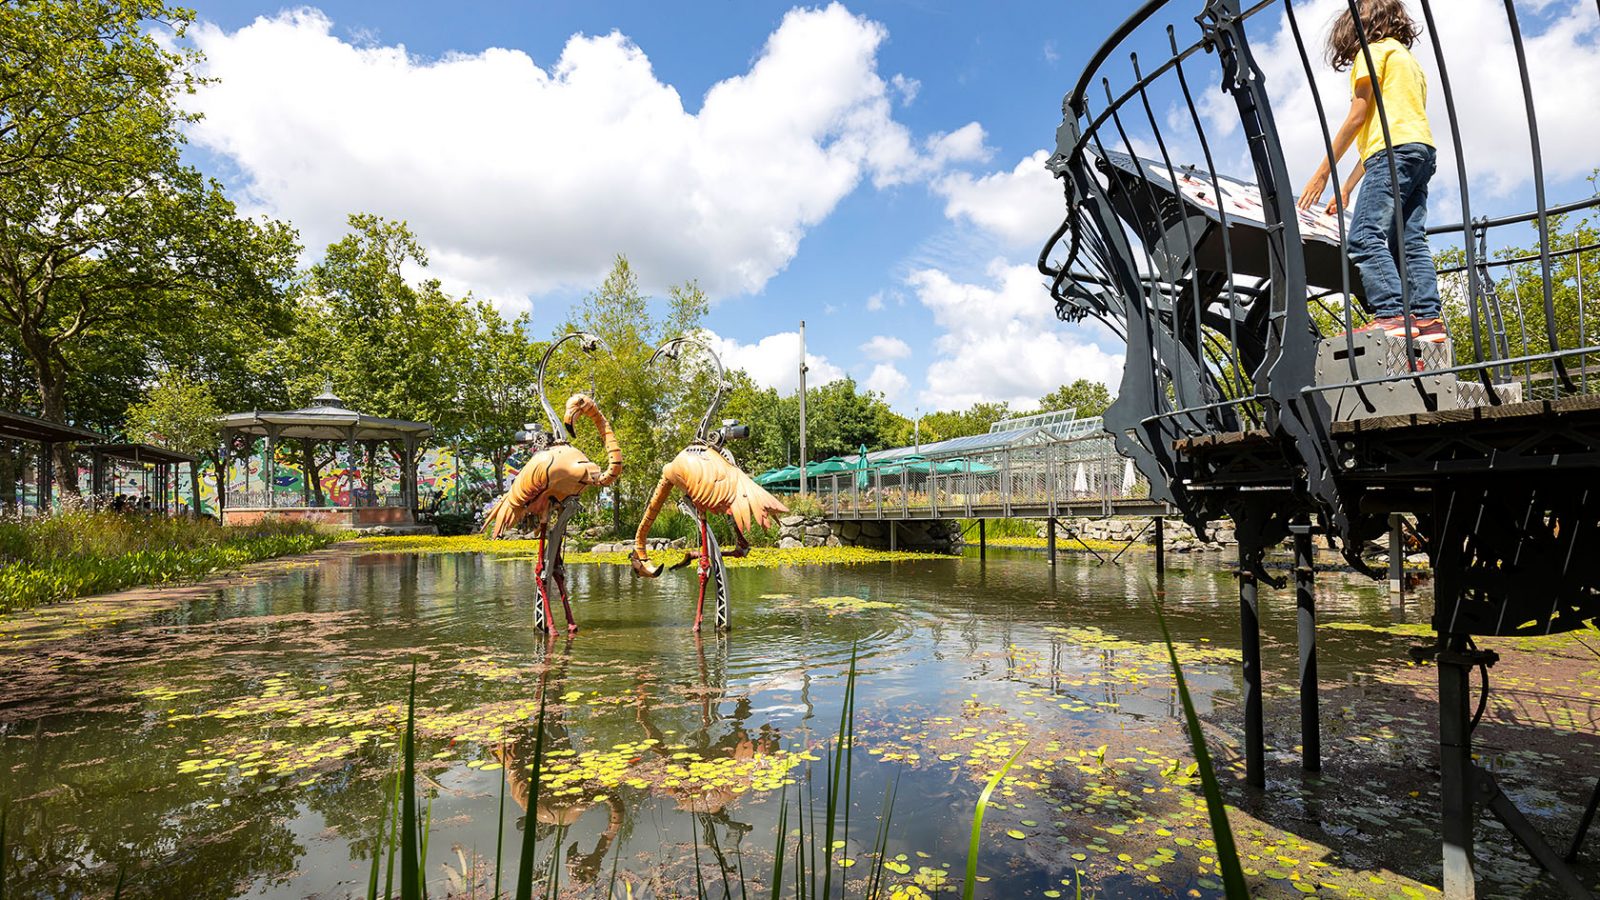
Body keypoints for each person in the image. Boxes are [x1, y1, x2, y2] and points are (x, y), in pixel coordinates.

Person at [1296, 0, 1444, 343]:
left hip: (1391, 154)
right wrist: (1346, 187)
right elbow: (1389, 131)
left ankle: (1392, 315)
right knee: (1410, 240)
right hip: (1419, 152)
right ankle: (1429, 321)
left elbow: (1358, 117)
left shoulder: (1372, 51)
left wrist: (1322, 174)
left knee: (1364, 236)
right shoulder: (1409, 62)